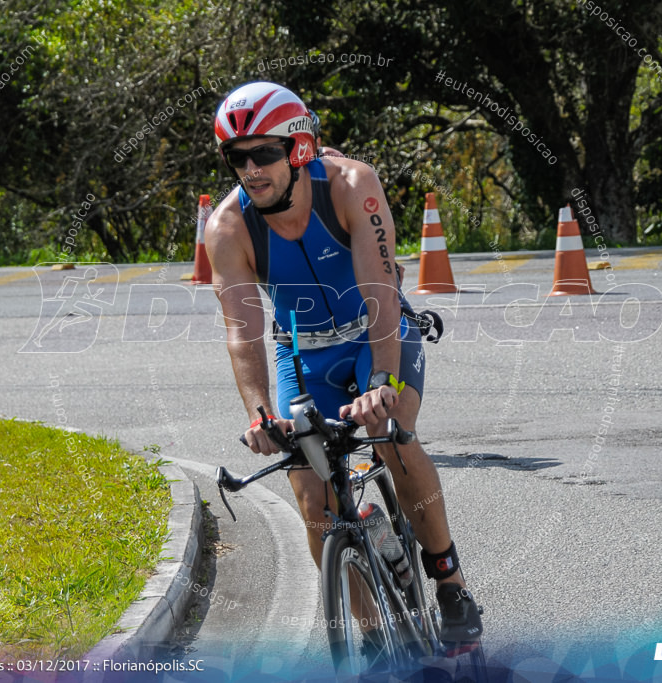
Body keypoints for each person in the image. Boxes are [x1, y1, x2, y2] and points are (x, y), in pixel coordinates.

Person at [204, 81, 483, 646]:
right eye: (238, 157)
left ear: (298, 149)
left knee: (390, 433)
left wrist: (382, 381)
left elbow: (379, 289)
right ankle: (372, 633)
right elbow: (242, 332)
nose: (250, 169)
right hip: (302, 349)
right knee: (310, 491)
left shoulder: (353, 185)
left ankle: (448, 580)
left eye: (264, 153)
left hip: (375, 333)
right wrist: (261, 415)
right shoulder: (229, 227)